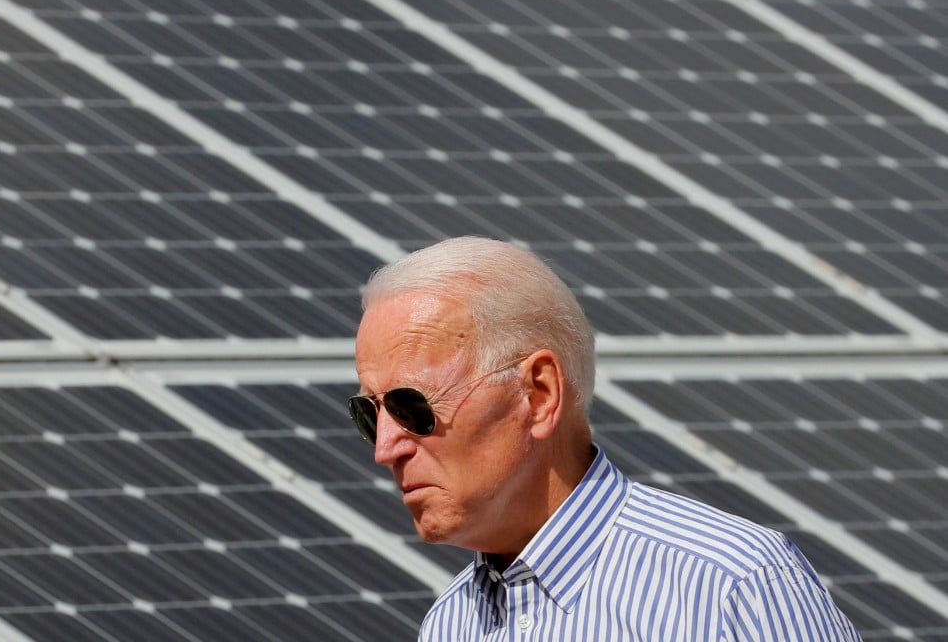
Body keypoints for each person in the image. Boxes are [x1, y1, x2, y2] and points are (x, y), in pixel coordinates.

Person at [349, 236, 861, 641]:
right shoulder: (450, 625)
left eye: (412, 406)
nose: (385, 448)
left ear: (539, 394)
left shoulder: (731, 587)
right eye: (370, 414)